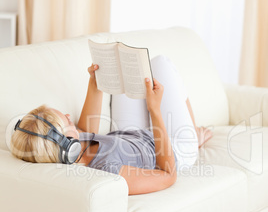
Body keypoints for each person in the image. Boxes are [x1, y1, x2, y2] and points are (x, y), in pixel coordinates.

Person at [10, 55, 212, 195]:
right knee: (161, 63)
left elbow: (87, 129)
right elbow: (168, 175)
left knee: (128, 74)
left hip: (131, 135)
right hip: (172, 152)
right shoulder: (108, 170)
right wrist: (154, 110)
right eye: (67, 120)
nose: (69, 115)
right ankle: (192, 138)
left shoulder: (74, 148)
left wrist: (95, 84)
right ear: (67, 145)